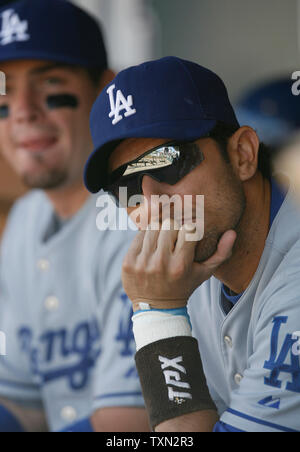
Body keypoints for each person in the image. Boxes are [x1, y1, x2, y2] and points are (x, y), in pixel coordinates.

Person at [84, 56, 300, 432]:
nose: (150, 206)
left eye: (168, 162)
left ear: (243, 155)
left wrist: (159, 315)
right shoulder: (181, 276)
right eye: (126, 187)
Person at [0, 0, 148, 432]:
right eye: (3, 90)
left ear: (105, 92)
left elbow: (132, 424)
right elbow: (19, 397)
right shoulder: (25, 221)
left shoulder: (143, 211)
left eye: (50, 83)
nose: (23, 109)